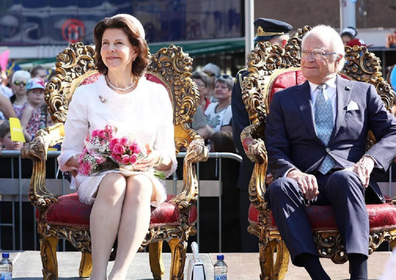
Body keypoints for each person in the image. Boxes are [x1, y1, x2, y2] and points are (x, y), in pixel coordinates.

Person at [264, 25, 396, 280]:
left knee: (344, 178)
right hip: (305, 182)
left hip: (347, 179)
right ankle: (318, 275)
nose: (308, 59)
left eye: (318, 53)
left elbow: (393, 132)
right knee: (279, 188)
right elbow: (275, 148)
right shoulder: (284, 100)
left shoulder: (363, 92)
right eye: (305, 52)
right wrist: (292, 172)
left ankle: (359, 273)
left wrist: (369, 161)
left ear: (338, 59)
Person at [57, 14, 177, 280]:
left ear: (135, 49)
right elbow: (68, 154)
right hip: (98, 176)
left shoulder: (156, 94)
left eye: (119, 43)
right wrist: (99, 157)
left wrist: (152, 157)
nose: (110, 49)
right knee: (114, 181)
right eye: (105, 43)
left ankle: (119, 274)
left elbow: (168, 158)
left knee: (139, 184)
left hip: (144, 174)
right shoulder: (86, 93)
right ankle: (98, 273)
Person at [231, 17, 293, 252]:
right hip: (255, 171)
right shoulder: (244, 78)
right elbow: (241, 129)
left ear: (284, 45)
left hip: (293, 168)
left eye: (269, 44)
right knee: (253, 242)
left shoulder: (300, 76)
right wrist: (263, 167)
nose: (262, 50)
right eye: (261, 45)